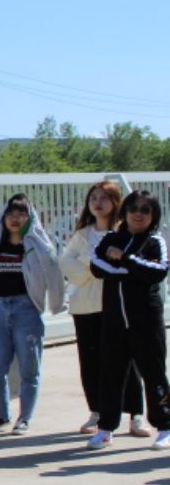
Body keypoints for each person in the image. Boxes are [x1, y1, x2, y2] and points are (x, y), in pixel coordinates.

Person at [59, 182, 149, 437]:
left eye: (104, 198)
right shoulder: (82, 235)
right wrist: (96, 266)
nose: (97, 203)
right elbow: (66, 264)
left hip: (117, 306)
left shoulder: (123, 233)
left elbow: (124, 267)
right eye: (93, 198)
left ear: (115, 201)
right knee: (91, 361)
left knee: (126, 361)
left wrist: (89, 263)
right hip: (85, 307)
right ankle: (97, 412)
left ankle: (135, 414)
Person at [0, 194, 65, 435]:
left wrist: (56, 303)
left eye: (21, 214)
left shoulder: (37, 245)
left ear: (30, 217)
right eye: (11, 214)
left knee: (29, 368)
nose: (15, 219)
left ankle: (24, 418)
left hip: (27, 309)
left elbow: (54, 272)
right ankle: (1, 414)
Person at [87, 190, 170, 450]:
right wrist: (133, 269)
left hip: (146, 322)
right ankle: (106, 428)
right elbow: (96, 265)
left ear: (153, 215)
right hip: (114, 321)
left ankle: (165, 426)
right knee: (110, 374)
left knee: (154, 373)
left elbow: (158, 271)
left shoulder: (155, 241)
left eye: (146, 210)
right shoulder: (112, 237)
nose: (138, 214)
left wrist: (124, 259)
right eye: (134, 208)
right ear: (125, 211)